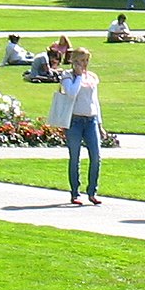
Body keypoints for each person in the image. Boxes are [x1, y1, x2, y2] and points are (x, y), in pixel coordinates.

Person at [53, 49, 105, 205]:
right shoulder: (68, 76)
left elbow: (95, 101)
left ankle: (92, 191)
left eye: (86, 60)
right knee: (75, 157)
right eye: (81, 60)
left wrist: (100, 124)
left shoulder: (92, 78)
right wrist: (79, 75)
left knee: (96, 157)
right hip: (74, 121)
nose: (84, 64)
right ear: (74, 61)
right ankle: (75, 192)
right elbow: (71, 93)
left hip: (91, 120)